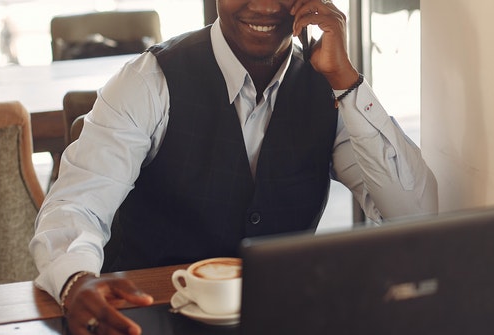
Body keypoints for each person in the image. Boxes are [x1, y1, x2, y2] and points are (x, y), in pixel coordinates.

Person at [30, 0, 438, 334]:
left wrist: (347, 82)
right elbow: (76, 204)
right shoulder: (147, 81)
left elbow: (415, 217)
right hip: (147, 319)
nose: (262, 5)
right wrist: (76, 279)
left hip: (276, 319)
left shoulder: (328, 91)